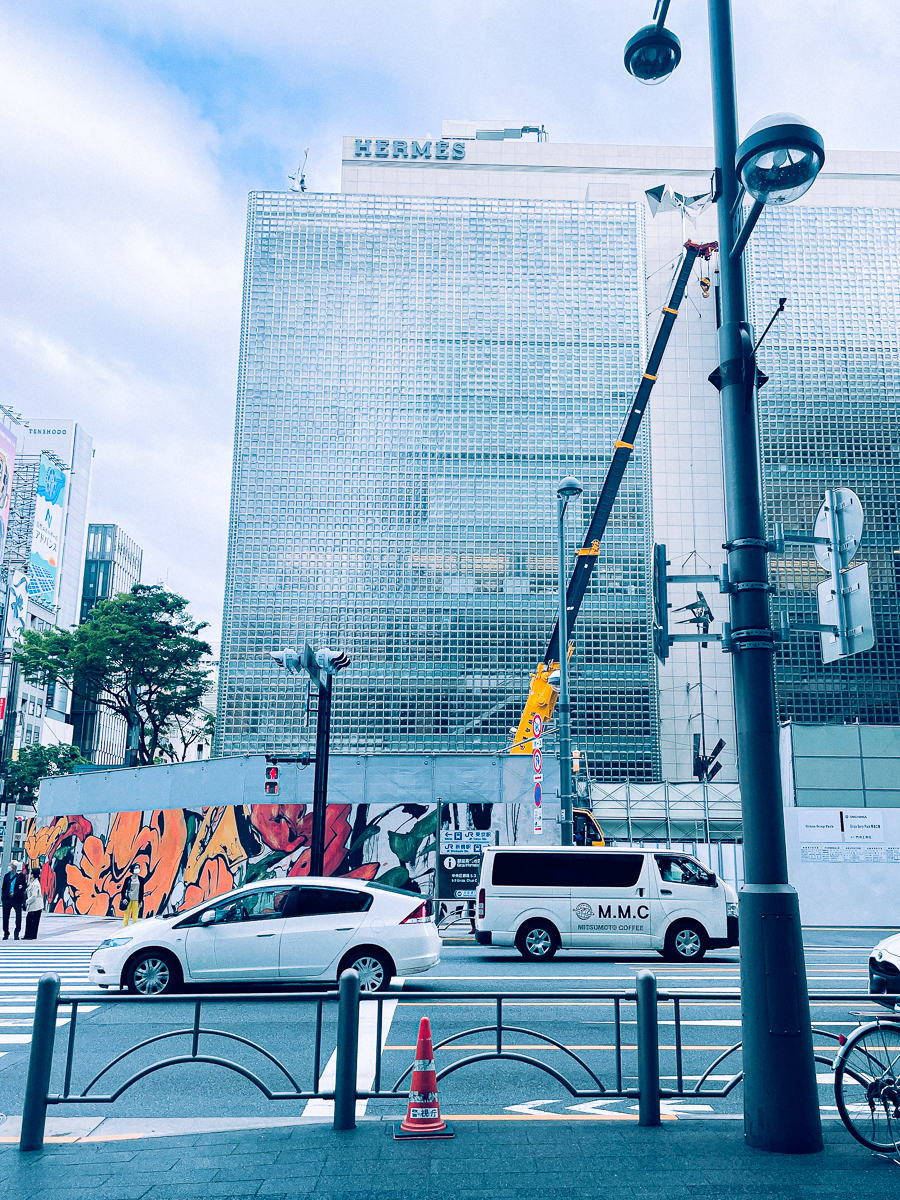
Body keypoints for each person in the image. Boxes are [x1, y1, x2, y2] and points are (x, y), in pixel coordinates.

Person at [2, 860, 27, 940]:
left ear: (15, 867)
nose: (10, 866)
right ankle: (6, 932)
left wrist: (15, 893)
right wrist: (3, 897)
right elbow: (4, 887)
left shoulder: (21, 876)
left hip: (16, 899)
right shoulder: (6, 876)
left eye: (11, 865)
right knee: (5, 917)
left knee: (18, 916)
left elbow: (23, 887)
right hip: (7, 899)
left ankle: (17, 932)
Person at [23, 868, 43, 940]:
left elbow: (34, 896)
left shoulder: (36, 884)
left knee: (34, 921)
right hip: (32, 905)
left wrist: (27, 902)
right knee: (29, 920)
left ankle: (32, 935)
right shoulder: (32, 882)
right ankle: (27, 934)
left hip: (36, 905)